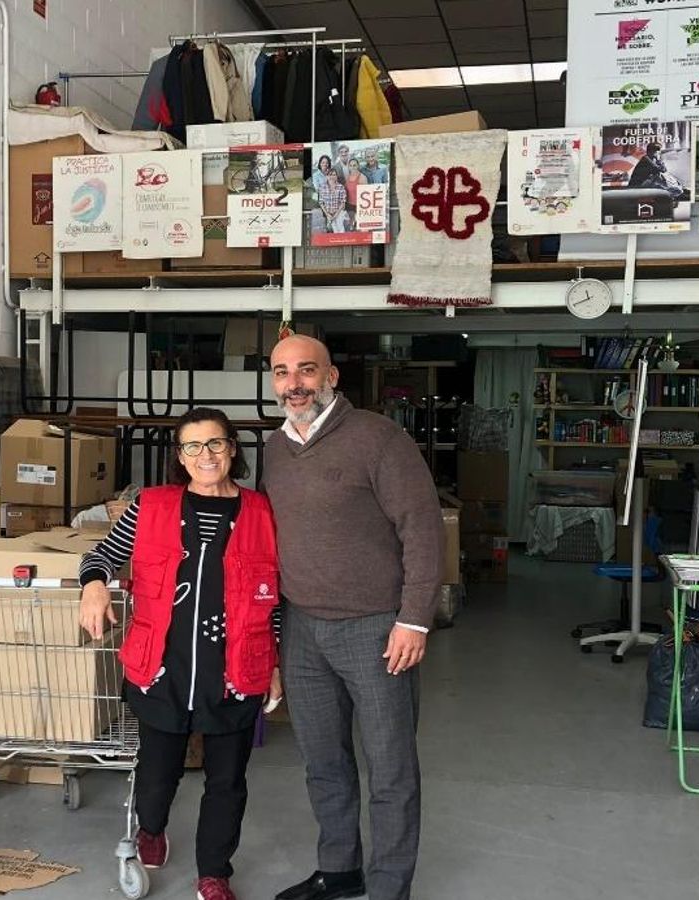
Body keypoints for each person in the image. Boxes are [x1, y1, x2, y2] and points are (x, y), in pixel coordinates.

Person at [261, 335, 442, 900]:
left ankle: (389, 887)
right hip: (302, 628)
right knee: (323, 760)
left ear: (332, 376)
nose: (295, 383)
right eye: (282, 372)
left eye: (306, 371)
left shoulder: (378, 439)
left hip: (375, 628)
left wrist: (414, 619)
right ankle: (339, 868)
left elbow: (423, 528)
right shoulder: (275, 447)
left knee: (389, 767)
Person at [78, 407, 282, 900]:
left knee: (227, 781)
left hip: (235, 668)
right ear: (180, 457)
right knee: (156, 775)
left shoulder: (262, 511)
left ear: (233, 448)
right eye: (193, 446)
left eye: (215, 444)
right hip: (162, 667)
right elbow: (99, 555)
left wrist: (275, 663)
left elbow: (276, 596)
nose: (205, 455)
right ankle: (151, 828)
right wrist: (94, 587)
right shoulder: (151, 505)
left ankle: (214, 873)